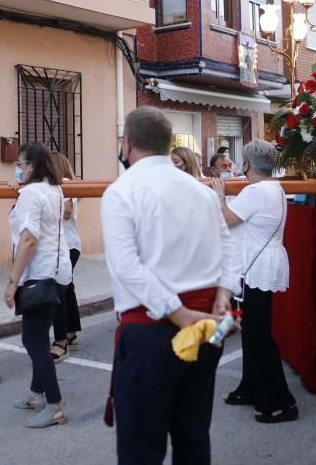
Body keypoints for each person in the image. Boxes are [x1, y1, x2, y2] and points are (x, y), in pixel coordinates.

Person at [102, 108, 240, 464]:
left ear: (127, 144)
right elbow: (228, 247)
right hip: (207, 325)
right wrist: (223, 295)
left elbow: (127, 267)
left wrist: (179, 314)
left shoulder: (121, 192)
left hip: (154, 334)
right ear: (168, 145)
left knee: (141, 450)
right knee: (193, 438)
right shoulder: (203, 192)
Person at [209, 140, 297, 423]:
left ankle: (280, 403)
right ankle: (249, 388)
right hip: (261, 266)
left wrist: (220, 196)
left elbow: (225, 221)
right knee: (251, 333)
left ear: (247, 165)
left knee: (259, 337)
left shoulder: (256, 191)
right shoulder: (272, 188)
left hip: (256, 269)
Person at [3, 143, 72, 428]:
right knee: (39, 336)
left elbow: (29, 239)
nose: (18, 168)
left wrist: (12, 281)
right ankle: (35, 395)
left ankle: (55, 405)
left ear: (32, 166)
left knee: (32, 340)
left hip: (40, 273)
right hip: (58, 272)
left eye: (21, 163)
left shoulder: (31, 193)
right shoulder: (53, 189)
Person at [50, 152, 82, 363]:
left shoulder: (65, 184)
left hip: (68, 245)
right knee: (67, 288)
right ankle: (71, 333)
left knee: (59, 290)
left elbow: (67, 211)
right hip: (64, 245)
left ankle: (60, 339)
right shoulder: (56, 186)